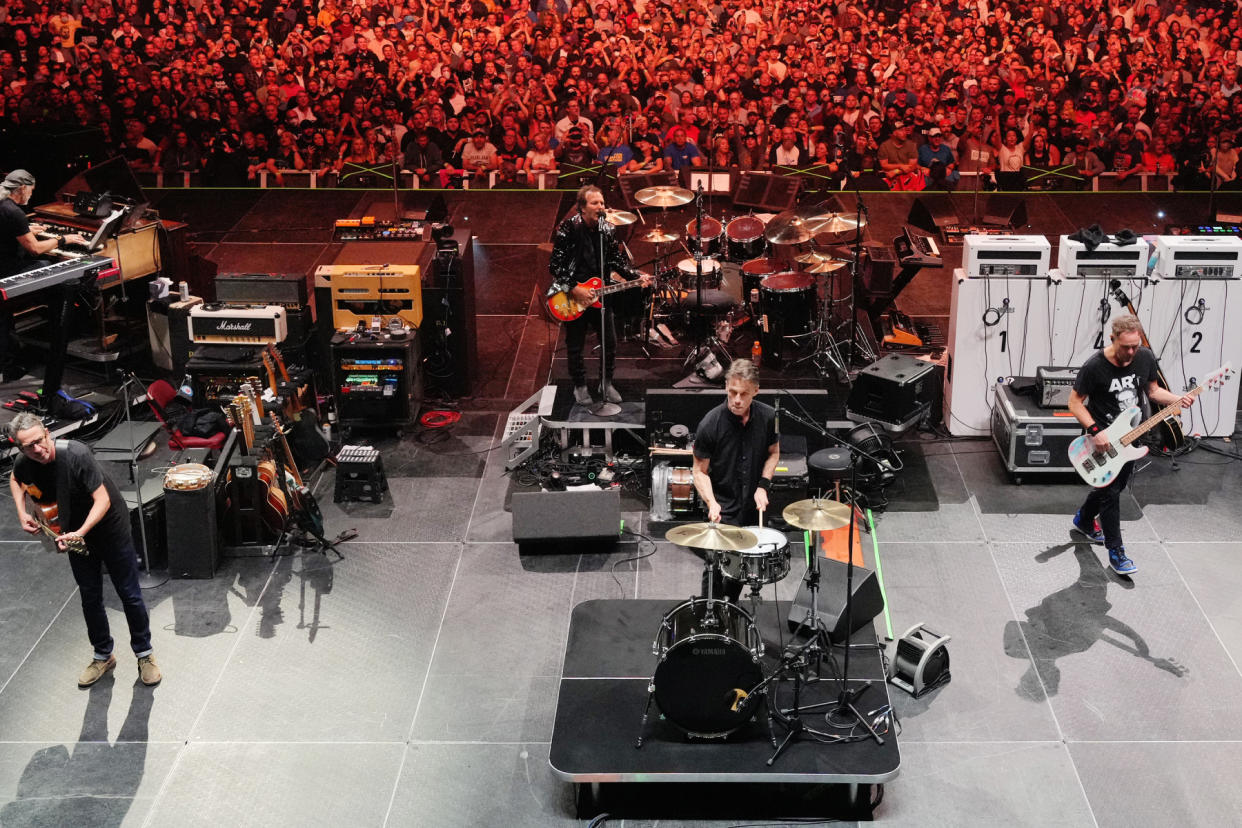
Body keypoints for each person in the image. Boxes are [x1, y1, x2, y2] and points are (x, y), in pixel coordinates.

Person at [7, 412, 161, 687]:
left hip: (109, 528)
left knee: (129, 593)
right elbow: (16, 481)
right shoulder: (24, 462)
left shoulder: (76, 455)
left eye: (40, 441)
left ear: (46, 432)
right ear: (20, 447)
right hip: (75, 531)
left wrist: (80, 532)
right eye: (28, 446)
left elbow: (101, 500)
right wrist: (21, 513)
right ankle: (103, 655)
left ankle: (145, 654)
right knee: (90, 596)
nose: (38, 449)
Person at [1067, 316, 1193, 576]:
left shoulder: (1145, 357)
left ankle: (1083, 519)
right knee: (1111, 493)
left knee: (1114, 487)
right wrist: (1094, 431)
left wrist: (1177, 399)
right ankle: (1117, 552)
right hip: (1100, 439)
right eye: (1126, 347)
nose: (1132, 352)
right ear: (1113, 340)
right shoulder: (1094, 367)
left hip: (1132, 436)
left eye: (1135, 346)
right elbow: (1075, 403)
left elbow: (1153, 390)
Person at [547, 185, 651, 405]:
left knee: (610, 343)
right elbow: (555, 266)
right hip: (574, 295)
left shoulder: (608, 229)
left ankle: (606, 382)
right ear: (582, 208)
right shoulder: (568, 228)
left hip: (600, 295)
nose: (601, 207)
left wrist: (636, 276)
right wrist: (575, 287)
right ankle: (580, 386)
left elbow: (615, 260)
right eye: (595, 203)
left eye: (602, 203)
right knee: (575, 344)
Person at [691, 359, 780, 602]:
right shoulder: (710, 424)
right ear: (726, 388)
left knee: (742, 573)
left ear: (756, 391)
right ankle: (711, 618)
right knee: (716, 573)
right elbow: (699, 471)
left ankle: (731, 611)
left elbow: (774, 453)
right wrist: (711, 502)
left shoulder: (768, 417)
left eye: (743, 394)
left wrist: (763, 485)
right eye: (732, 392)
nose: (737, 400)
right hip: (723, 510)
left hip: (752, 509)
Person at [0, 169, 88, 379]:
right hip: (6, 272)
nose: (31, 194)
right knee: (51, 266)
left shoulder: (3, 205)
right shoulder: (14, 212)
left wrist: (27, 229)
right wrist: (64, 240)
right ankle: (61, 328)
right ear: (21, 188)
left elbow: (9, 230)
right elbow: (35, 249)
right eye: (31, 190)